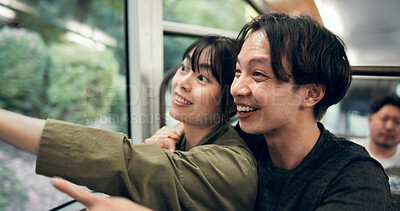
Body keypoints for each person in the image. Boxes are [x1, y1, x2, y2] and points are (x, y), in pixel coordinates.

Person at [153, 13, 392, 210]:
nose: (237, 88)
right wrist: (179, 129)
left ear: (311, 93)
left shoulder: (355, 177)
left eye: (258, 74)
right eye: (238, 72)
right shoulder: (247, 142)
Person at [0, 35, 257, 210]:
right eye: (183, 67)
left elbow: (128, 163)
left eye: (202, 78)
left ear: (229, 102)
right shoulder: (182, 140)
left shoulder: (231, 166)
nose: (183, 82)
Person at [353, 95, 400, 190]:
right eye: (384, 119)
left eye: (397, 122)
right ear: (370, 120)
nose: (389, 127)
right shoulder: (351, 153)